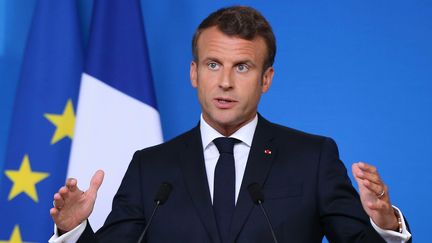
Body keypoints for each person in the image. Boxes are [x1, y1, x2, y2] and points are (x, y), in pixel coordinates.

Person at [49, 6, 411, 243]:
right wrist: (73, 229)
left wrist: (386, 225)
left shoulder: (312, 158)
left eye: (242, 67)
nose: (224, 82)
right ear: (194, 73)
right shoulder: (151, 167)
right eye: (212, 65)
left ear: (266, 79)